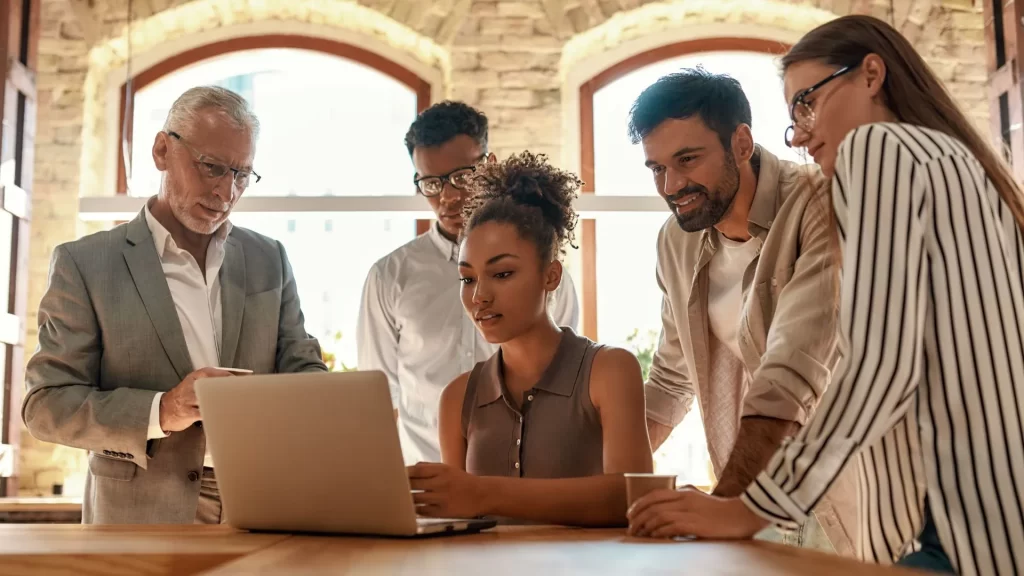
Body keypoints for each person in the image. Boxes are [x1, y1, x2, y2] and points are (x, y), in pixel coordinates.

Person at [627, 14, 1024, 576]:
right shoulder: (958, 164)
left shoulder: (876, 150)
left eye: (809, 103)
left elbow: (877, 363)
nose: (802, 133)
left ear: (871, 75)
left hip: (948, 525)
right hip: (987, 520)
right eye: (793, 116)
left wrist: (746, 509)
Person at [22, 86, 327, 524]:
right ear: (162, 150)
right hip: (137, 516)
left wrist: (332, 406)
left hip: (260, 505)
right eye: (211, 168)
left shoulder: (269, 259)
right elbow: (45, 406)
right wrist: (161, 410)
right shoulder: (85, 263)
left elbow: (303, 368)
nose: (226, 191)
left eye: (242, 175)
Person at [630, 68, 857, 553]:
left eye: (687, 159)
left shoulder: (820, 204)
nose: (671, 185)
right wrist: (599, 486)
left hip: (841, 493)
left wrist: (724, 507)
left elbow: (791, 376)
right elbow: (671, 381)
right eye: (656, 168)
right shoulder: (675, 242)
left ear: (741, 142)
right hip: (751, 501)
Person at [407, 151, 652, 525]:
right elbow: (457, 521)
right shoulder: (457, 397)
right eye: (468, 278)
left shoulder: (610, 371)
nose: (479, 296)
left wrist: (483, 493)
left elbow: (631, 497)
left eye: (502, 274)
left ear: (551, 276)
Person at [357, 102, 579, 465]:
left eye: (461, 177)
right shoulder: (390, 276)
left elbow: (563, 381)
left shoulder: (545, 275)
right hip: (422, 485)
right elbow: (378, 400)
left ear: (488, 164)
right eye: (430, 183)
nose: (447, 197)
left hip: (525, 481)